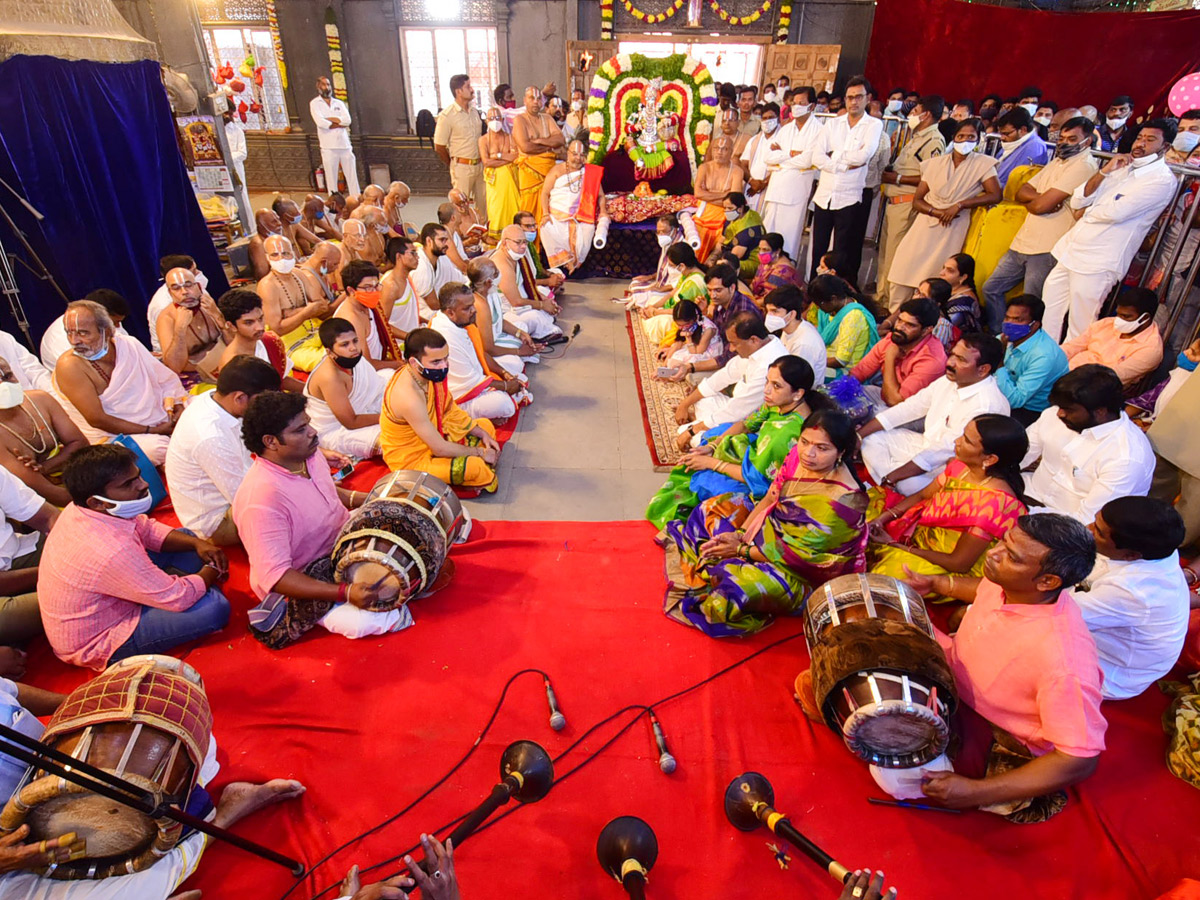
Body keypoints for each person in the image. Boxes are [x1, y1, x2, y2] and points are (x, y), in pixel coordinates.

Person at [902, 514, 1104, 821]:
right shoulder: (1012, 584)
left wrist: (975, 791)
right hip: (952, 672)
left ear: (1048, 581)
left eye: (1011, 556)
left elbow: (1079, 758)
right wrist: (937, 583)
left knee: (887, 753)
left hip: (991, 731)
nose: (993, 553)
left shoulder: (1064, 659)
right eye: (1002, 542)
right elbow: (983, 589)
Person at [659, 409, 868, 637]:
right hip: (768, 530)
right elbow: (770, 497)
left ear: (841, 452)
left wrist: (740, 550)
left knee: (733, 592)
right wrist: (739, 534)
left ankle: (727, 566)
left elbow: (797, 557)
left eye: (822, 448)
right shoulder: (798, 456)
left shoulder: (842, 503)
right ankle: (724, 558)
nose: (809, 453)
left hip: (802, 572)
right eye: (805, 441)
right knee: (710, 509)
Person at [38, 444, 231, 670]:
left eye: (137, 476)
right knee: (214, 608)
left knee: (187, 539)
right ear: (97, 502)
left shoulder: (85, 508)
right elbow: (177, 597)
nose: (144, 484)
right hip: (102, 637)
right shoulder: (111, 549)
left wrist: (198, 544)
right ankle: (184, 587)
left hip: (114, 590)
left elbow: (146, 529)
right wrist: (211, 570)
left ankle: (179, 585)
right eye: (129, 484)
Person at [233, 391, 403, 648]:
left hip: (342, 538)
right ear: (271, 442)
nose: (313, 432)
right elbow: (277, 576)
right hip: (306, 575)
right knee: (374, 620)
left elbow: (328, 492)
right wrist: (344, 592)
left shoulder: (307, 456)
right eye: (300, 430)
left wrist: (371, 498)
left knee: (401, 517)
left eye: (308, 423)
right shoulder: (261, 499)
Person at [648, 355, 826, 528]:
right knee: (717, 433)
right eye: (767, 381)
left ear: (798, 393)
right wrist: (713, 446)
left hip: (761, 485)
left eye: (776, 386)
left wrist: (711, 463)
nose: (767, 390)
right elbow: (746, 424)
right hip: (757, 456)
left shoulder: (787, 433)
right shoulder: (780, 404)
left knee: (705, 480)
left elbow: (756, 479)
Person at [1041, 119, 1178, 342]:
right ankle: (1042, 364)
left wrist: (1088, 211)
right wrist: (1104, 172)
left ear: (1165, 147)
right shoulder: (1121, 167)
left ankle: (1070, 374)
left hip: (1099, 261)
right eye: (1140, 137)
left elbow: (1116, 213)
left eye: (1150, 140)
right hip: (1071, 249)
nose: (1141, 143)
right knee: (1049, 311)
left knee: (1081, 326)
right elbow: (1077, 200)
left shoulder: (1161, 180)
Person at [869, 414, 1028, 600]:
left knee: (889, 578)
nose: (957, 441)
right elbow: (923, 495)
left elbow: (958, 564)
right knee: (865, 512)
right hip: (921, 534)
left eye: (967, 441)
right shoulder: (961, 467)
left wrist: (893, 545)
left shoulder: (993, 505)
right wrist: (883, 518)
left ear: (990, 459)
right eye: (962, 435)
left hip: (950, 566)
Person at [981, 116, 1098, 332]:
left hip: (1047, 248)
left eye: (1072, 139)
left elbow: (1039, 206)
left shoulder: (1084, 166)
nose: (1065, 143)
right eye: (1062, 138)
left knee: (1031, 305)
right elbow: (1020, 192)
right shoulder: (1057, 160)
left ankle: (1023, 342)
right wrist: (1040, 199)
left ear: (1087, 141)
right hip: (1022, 241)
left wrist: (1036, 201)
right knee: (991, 288)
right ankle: (1000, 335)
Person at [1068, 496, 1190, 700]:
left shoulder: (1133, 590)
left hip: (1109, 673)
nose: (1087, 528)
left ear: (1131, 555)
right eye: (1095, 521)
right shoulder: (1156, 549)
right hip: (1098, 634)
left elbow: (1055, 614)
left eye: (1097, 531)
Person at [859, 334, 1010, 496]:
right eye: (952, 354)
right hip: (925, 446)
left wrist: (896, 474)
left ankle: (895, 482)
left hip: (955, 466)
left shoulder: (986, 405)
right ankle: (894, 482)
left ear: (983, 369)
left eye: (961, 359)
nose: (950, 363)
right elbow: (910, 408)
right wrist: (858, 436)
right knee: (870, 438)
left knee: (908, 483)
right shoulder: (948, 380)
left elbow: (947, 449)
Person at [165, 355, 283, 546]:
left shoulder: (216, 398)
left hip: (239, 486)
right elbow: (246, 499)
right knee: (293, 503)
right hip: (217, 521)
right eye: (263, 401)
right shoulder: (210, 437)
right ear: (239, 398)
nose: (266, 408)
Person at [886, 119, 1001, 310]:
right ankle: (895, 314)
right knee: (903, 269)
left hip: (953, 226)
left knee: (939, 274)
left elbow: (995, 195)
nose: (965, 141)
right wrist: (937, 212)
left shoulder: (983, 164)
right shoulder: (934, 164)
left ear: (978, 139)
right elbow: (918, 201)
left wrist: (960, 205)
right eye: (961, 136)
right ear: (953, 138)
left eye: (971, 137)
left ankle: (928, 316)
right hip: (925, 223)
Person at [52, 301, 184, 465]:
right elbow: (98, 420)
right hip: (111, 436)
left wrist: (178, 404)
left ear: (107, 332)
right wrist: (153, 430)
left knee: (202, 405)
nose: (74, 341)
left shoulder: (129, 345)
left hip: (158, 419)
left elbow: (165, 380)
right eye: (69, 333)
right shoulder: (70, 366)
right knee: (160, 449)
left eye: (83, 333)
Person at [1022, 364, 1154, 522]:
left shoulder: (1127, 457)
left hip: (1066, 526)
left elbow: (1088, 521)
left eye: (1069, 410)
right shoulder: (1056, 416)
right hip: (1028, 493)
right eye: (1059, 406)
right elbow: (1018, 455)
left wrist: (1016, 512)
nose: (1059, 413)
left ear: (1100, 411)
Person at [380, 328, 501, 491]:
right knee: (474, 467)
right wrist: (479, 452)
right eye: (436, 362)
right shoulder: (408, 397)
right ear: (414, 362)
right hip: (413, 460)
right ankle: (480, 467)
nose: (444, 366)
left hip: (435, 435)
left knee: (485, 426)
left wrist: (480, 433)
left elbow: (449, 410)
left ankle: (480, 462)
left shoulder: (429, 375)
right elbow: (439, 448)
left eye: (446, 359)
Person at [672, 313, 789, 450]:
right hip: (735, 408)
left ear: (753, 340)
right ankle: (701, 421)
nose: (732, 349)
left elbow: (738, 412)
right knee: (703, 398)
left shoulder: (768, 365)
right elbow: (722, 377)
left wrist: (692, 431)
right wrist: (684, 405)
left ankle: (699, 423)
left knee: (693, 437)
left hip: (748, 424)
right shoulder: (759, 347)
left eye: (734, 343)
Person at [809, 77, 884, 283]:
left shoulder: (873, 125)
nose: (854, 102)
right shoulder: (833, 124)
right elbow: (816, 156)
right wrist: (843, 163)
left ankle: (836, 291)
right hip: (825, 195)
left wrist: (833, 156)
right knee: (819, 248)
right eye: (850, 97)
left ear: (867, 98)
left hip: (849, 197)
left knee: (842, 251)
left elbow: (864, 156)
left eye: (858, 97)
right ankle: (814, 288)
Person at [879, 96, 946, 304]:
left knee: (894, 255)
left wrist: (898, 178)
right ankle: (880, 294)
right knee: (884, 252)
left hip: (907, 202)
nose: (912, 115)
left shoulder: (934, 140)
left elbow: (931, 176)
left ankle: (888, 300)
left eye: (915, 110)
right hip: (894, 201)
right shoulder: (917, 136)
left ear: (926, 114)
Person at [431, 283, 527, 421]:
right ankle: (473, 417)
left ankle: (489, 413)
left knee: (516, 369)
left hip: (475, 379)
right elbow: (470, 383)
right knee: (504, 404)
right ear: (450, 312)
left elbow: (480, 355)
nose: (474, 310)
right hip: (458, 397)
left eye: (473, 305)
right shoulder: (445, 338)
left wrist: (504, 373)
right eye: (467, 308)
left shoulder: (461, 323)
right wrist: (506, 386)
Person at [0, 356, 88, 506]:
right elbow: (51, 495)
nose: (5, 386)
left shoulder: (40, 399)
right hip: (46, 506)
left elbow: (81, 444)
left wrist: (44, 468)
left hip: (82, 479)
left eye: (8, 376)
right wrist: (98, 500)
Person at [302, 318, 386, 459]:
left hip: (366, 408)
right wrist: (389, 417)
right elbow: (350, 422)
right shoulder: (330, 377)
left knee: (401, 386)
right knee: (393, 439)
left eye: (355, 341)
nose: (353, 348)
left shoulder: (353, 357)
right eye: (345, 344)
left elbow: (376, 385)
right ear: (329, 352)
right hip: (337, 430)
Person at [760, 87, 824, 259]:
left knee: (788, 239)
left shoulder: (818, 130)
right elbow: (768, 157)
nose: (796, 107)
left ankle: (784, 275)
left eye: (801, 103)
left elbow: (807, 160)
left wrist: (781, 159)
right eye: (794, 103)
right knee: (767, 237)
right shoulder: (786, 129)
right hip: (775, 191)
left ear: (811, 106)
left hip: (795, 192)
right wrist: (790, 154)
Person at [849, 297, 947, 408]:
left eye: (910, 325)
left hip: (912, 410)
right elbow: (859, 372)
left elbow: (895, 401)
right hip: (883, 394)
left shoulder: (932, 360)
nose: (900, 327)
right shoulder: (894, 338)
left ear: (926, 330)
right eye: (900, 320)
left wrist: (889, 357)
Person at [0, 465, 57, 651]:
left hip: (20, 552)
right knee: (61, 600)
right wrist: (59, 572)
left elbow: (48, 516)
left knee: (92, 541)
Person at [256, 234, 331, 373]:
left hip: (315, 330)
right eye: (274, 255)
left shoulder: (298, 273)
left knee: (349, 341)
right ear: (267, 258)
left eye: (285, 253)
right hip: (291, 343)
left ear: (293, 252)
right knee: (330, 361)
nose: (281, 259)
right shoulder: (267, 285)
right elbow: (277, 328)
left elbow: (322, 305)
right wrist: (307, 311)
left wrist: (290, 312)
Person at [1061, 287, 1163, 387]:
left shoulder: (1150, 349)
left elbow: (1111, 378)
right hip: (1064, 373)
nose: (1118, 320)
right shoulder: (1106, 323)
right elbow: (1072, 347)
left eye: (1126, 316)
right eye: (1118, 314)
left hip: (1090, 389)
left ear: (1145, 318)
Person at [995, 295, 1070, 425]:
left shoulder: (1043, 355)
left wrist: (999, 362)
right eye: (1007, 318)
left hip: (1031, 410)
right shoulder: (1004, 339)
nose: (1009, 323)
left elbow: (1015, 400)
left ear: (1034, 325)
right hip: (1002, 393)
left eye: (1017, 320)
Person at [539, 140, 610, 273]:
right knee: (545, 227)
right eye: (575, 154)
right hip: (557, 216)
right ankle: (566, 262)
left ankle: (575, 264)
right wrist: (545, 214)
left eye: (582, 155)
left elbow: (601, 195)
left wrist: (603, 212)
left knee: (589, 229)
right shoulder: (557, 170)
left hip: (581, 216)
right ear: (568, 153)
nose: (578, 158)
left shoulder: (590, 173)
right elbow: (545, 193)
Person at [154, 266, 226, 385]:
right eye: (176, 288)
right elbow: (174, 367)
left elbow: (233, 340)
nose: (185, 292)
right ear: (170, 293)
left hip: (225, 364)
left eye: (188, 285)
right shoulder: (167, 318)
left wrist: (219, 318)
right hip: (196, 377)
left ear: (198, 286)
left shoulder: (207, 303)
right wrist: (180, 329)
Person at [216, 288, 298, 388]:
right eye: (249, 323)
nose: (259, 327)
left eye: (260, 319)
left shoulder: (271, 340)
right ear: (232, 326)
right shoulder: (231, 365)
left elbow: (282, 380)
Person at [468, 256, 540, 371]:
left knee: (522, 327)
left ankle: (518, 351)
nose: (499, 273)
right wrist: (519, 352)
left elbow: (498, 320)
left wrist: (520, 333)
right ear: (488, 282)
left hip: (495, 337)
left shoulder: (490, 291)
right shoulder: (479, 305)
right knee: (514, 363)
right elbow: (488, 349)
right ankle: (518, 355)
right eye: (496, 272)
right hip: (484, 350)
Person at [492, 225, 562, 341]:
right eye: (518, 242)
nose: (523, 246)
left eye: (525, 242)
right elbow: (516, 302)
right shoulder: (502, 264)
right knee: (535, 317)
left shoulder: (517, 256)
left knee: (544, 308)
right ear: (505, 243)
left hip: (517, 305)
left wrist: (544, 300)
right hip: (504, 311)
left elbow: (528, 284)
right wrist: (542, 305)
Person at [434, 74, 486, 228]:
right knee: (460, 207)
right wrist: (452, 163)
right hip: (461, 167)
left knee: (483, 206)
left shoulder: (474, 112)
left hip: (480, 166)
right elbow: (439, 146)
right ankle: (461, 239)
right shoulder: (447, 115)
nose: (472, 90)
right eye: (468, 87)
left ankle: (481, 237)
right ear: (458, 91)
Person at [41, 289, 130, 372]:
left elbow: (126, 352)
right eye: (115, 322)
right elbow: (83, 371)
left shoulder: (108, 321)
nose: (118, 326)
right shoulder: (62, 339)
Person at [334, 260, 402, 369]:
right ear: (351, 290)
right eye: (368, 287)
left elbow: (385, 328)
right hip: (366, 374)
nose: (375, 292)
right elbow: (367, 364)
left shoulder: (368, 304)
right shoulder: (352, 318)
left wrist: (408, 335)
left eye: (376, 286)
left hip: (381, 361)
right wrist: (400, 364)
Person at [808, 274, 880, 376]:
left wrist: (811, 360)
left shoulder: (853, 317)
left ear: (833, 299)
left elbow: (840, 361)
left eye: (820, 304)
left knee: (803, 374)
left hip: (846, 371)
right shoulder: (829, 311)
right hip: (824, 359)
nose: (818, 308)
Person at [512, 86, 566, 222]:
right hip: (530, 173)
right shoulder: (520, 120)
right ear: (525, 101)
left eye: (538, 98)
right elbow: (525, 147)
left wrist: (540, 141)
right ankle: (530, 240)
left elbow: (560, 140)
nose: (535, 102)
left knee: (550, 206)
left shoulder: (547, 118)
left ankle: (546, 241)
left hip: (549, 171)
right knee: (529, 212)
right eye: (531, 98)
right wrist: (549, 148)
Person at [638, 243, 709, 344]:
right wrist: (652, 307)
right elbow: (672, 294)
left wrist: (655, 312)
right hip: (674, 308)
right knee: (652, 299)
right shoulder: (687, 272)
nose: (670, 268)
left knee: (659, 323)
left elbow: (681, 312)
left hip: (684, 317)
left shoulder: (693, 284)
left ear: (682, 266)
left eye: (671, 265)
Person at [693, 137, 746, 263]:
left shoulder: (737, 171)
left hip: (725, 217)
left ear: (731, 151)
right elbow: (697, 193)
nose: (719, 152)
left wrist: (707, 195)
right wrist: (724, 194)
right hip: (703, 215)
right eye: (716, 148)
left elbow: (734, 199)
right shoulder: (704, 168)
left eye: (724, 149)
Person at [762, 284, 826, 381]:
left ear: (792, 314)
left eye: (775, 311)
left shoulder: (804, 343)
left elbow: (794, 380)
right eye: (768, 311)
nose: (769, 316)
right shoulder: (788, 329)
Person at [311, 75, 360, 196]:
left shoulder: (339, 103)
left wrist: (332, 120)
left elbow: (347, 121)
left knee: (352, 175)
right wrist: (338, 122)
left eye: (328, 84)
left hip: (344, 144)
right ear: (318, 87)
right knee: (331, 177)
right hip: (328, 146)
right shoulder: (315, 103)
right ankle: (334, 201)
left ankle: (356, 198)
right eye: (323, 85)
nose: (326, 87)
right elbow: (321, 122)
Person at [624, 215, 683, 310]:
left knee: (641, 297)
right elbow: (665, 271)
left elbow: (679, 282)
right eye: (658, 232)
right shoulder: (668, 243)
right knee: (635, 283)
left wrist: (660, 289)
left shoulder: (680, 250)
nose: (660, 235)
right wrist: (650, 277)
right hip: (662, 284)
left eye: (663, 231)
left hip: (672, 290)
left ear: (674, 230)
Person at [413, 223, 469, 322]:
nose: (446, 244)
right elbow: (434, 305)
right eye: (441, 240)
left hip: (445, 310)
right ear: (429, 241)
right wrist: (460, 308)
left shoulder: (442, 259)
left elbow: (461, 280)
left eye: (446, 240)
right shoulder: (420, 266)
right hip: (428, 317)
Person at [481, 106, 521, 243]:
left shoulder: (510, 137)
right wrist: (506, 158)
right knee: (496, 210)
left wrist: (497, 156)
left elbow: (516, 157)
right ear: (486, 121)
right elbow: (486, 162)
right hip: (495, 183)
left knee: (513, 207)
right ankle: (497, 240)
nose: (495, 121)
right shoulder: (483, 140)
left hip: (510, 180)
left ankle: (514, 235)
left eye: (497, 118)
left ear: (502, 120)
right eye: (491, 118)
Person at [655, 299, 722, 373]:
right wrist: (664, 367)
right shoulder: (685, 325)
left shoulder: (708, 330)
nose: (682, 328)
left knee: (679, 364)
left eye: (685, 325)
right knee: (672, 358)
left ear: (694, 318)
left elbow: (697, 353)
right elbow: (678, 344)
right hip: (693, 346)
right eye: (679, 325)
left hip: (705, 351)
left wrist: (688, 337)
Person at [993, 108, 1050, 189]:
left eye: (1006, 134)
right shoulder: (1013, 141)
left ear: (1023, 130)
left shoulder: (1035, 147)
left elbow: (1018, 182)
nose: (1002, 138)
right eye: (1001, 133)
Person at [716, 192, 764, 281]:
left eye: (730, 208)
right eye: (725, 208)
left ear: (741, 208)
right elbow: (722, 240)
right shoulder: (733, 216)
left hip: (749, 261)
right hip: (730, 253)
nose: (727, 211)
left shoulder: (749, 227)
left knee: (726, 267)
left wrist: (717, 265)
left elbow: (734, 258)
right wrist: (712, 258)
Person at [740, 101, 776, 213]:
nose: (767, 121)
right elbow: (743, 164)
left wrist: (763, 183)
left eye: (771, 117)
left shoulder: (783, 139)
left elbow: (783, 166)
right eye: (764, 118)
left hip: (772, 189)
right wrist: (752, 182)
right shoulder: (754, 140)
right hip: (751, 188)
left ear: (778, 118)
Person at [938, 253, 983, 339]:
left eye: (950, 270)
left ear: (963, 277)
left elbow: (947, 331)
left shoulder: (963, 302)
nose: (941, 273)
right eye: (943, 268)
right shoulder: (951, 290)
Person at [749, 233, 799, 305]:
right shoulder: (766, 263)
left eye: (765, 249)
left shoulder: (781, 272)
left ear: (777, 251)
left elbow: (769, 300)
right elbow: (753, 285)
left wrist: (750, 304)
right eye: (760, 249)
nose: (761, 252)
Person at [246, 208, 284, 281]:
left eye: (278, 219)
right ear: (261, 225)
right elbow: (262, 274)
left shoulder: (275, 238)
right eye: (274, 222)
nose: (279, 223)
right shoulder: (258, 244)